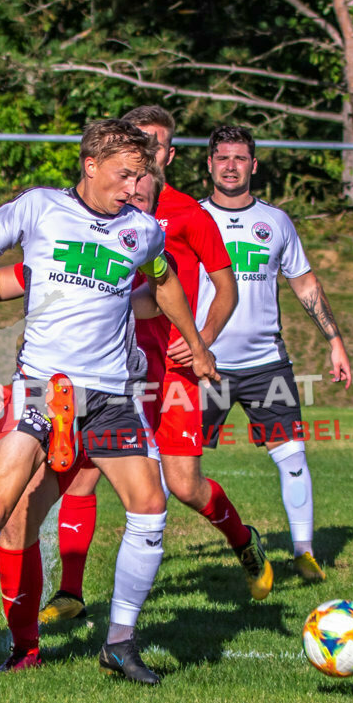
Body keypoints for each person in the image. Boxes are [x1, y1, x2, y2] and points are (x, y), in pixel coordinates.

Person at [0, 118, 218, 685]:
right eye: (125, 175)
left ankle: (119, 642)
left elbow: (162, 280)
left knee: (149, 505)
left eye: (141, 176)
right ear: (90, 166)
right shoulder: (41, 207)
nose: (134, 187)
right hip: (42, 388)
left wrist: (194, 343)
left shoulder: (142, 231)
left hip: (114, 395)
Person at [41, 105, 272, 629]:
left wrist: (202, 341)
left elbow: (226, 288)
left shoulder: (190, 215)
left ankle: (243, 540)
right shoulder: (99, 210)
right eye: (135, 142)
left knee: (185, 485)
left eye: (155, 145)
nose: (144, 155)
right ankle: (72, 593)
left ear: (168, 155)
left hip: (171, 372)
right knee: (81, 473)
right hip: (110, 370)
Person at [196, 125, 352, 580]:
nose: (230, 165)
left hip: (267, 364)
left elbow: (303, 282)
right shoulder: (189, 218)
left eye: (239, 158)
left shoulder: (277, 222)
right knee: (174, 473)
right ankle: (159, 553)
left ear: (254, 165)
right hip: (206, 365)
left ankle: (303, 552)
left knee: (294, 457)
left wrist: (334, 341)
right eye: (222, 157)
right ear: (209, 165)